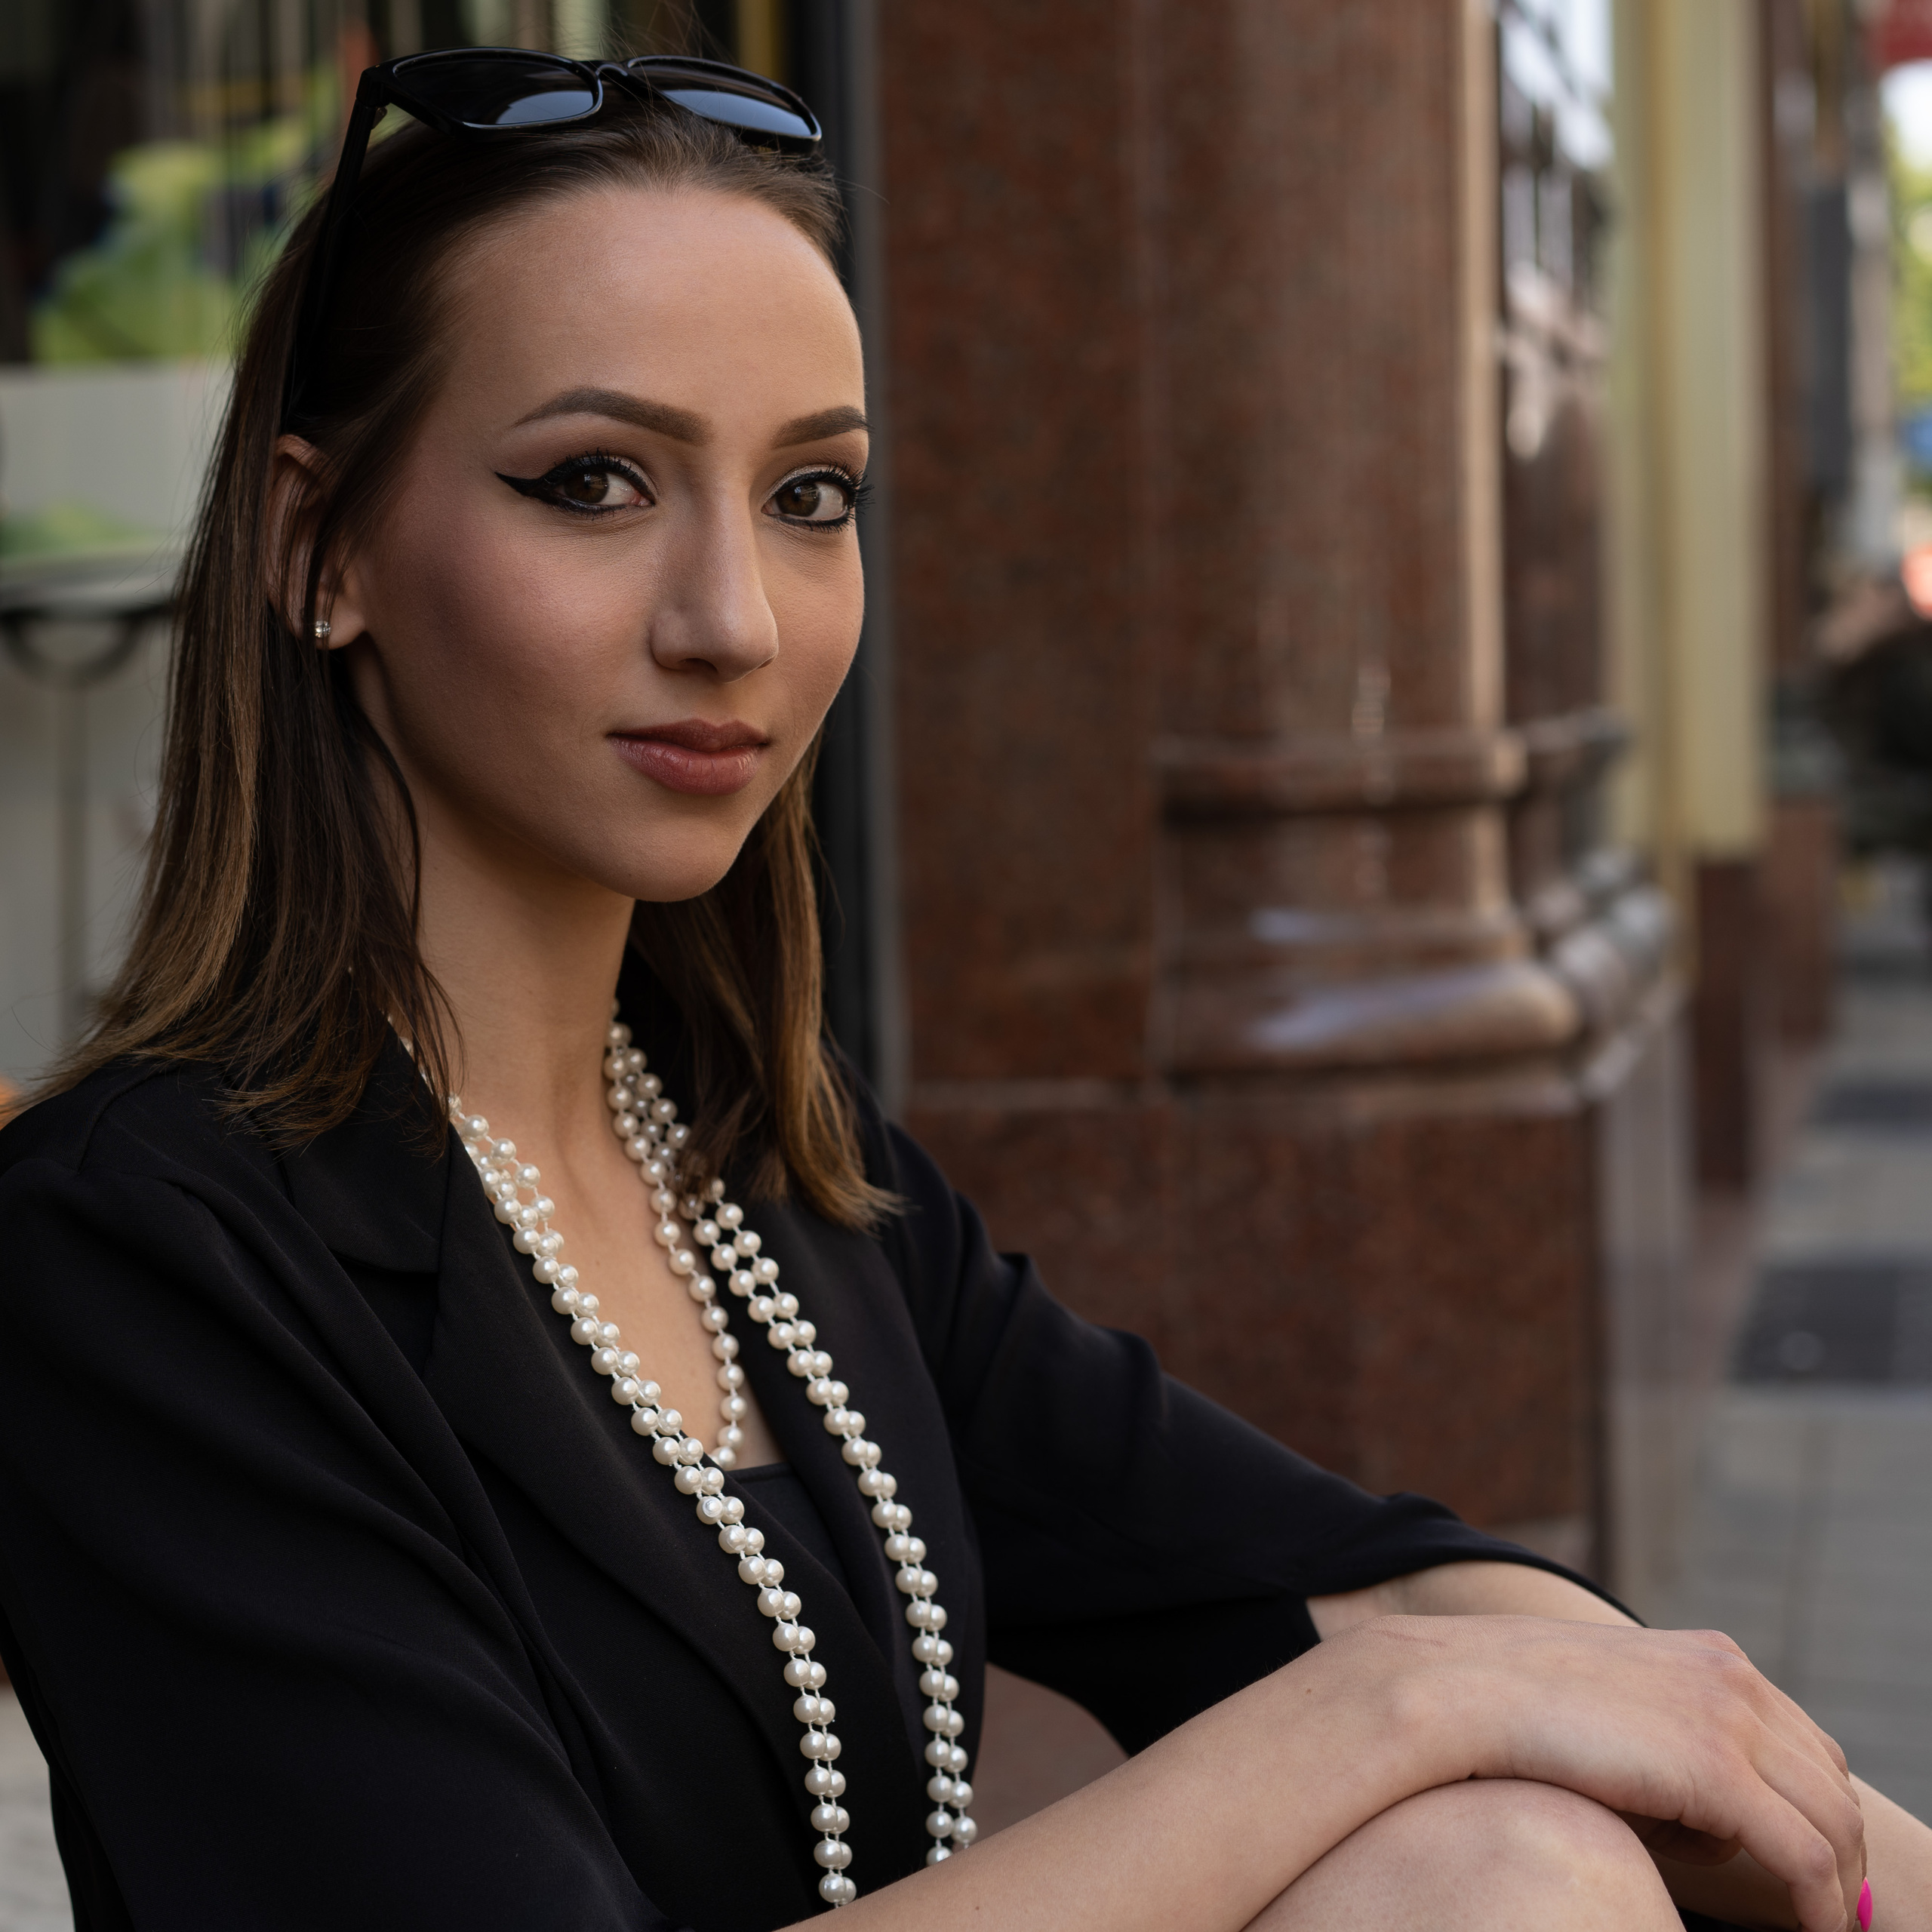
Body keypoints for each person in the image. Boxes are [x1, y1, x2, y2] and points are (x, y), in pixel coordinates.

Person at [0, 50, 1922, 1932]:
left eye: (810, 496)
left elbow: (1373, 1589)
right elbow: (1397, 1671)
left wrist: (1728, 1785)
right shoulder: (139, 1243)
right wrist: (1388, 1714)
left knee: (1506, 1857)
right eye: (591, 481)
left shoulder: (767, 1181)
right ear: (313, 544)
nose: (730, 617)